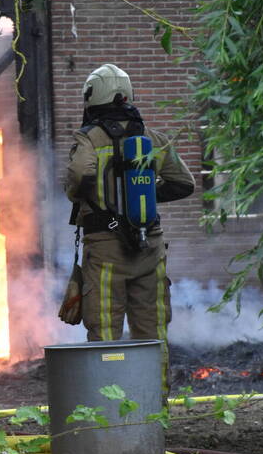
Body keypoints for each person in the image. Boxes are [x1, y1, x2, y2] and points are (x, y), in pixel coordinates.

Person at [64, 63, 195, 392]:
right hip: (150, 245)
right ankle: (156, 410)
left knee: (105, 330)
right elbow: (184, 183)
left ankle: (110, 410)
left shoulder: (90, 138)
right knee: (153, 332)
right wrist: (145, 200)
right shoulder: (151, 138)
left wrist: (90, 196)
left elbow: (79, 175)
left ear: (92, 97)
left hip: (107, 249)